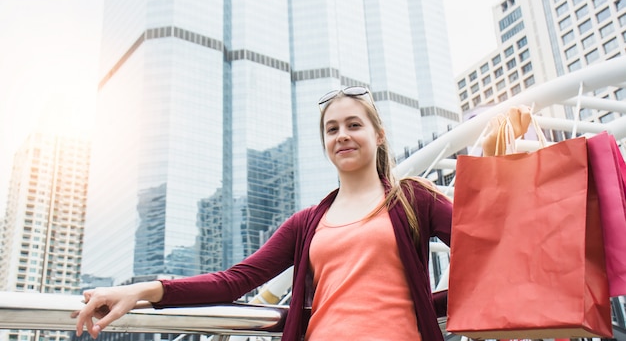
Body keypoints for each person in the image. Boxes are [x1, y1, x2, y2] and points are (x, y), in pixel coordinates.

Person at [74, 86, 453, 341]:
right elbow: (233, 282)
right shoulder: (307, 223)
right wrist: (146, 289)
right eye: (332, 128)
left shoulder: (412, 199)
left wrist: (427, 304)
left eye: (355, 125)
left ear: (379, 134)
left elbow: (487, 247)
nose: (342, 135)